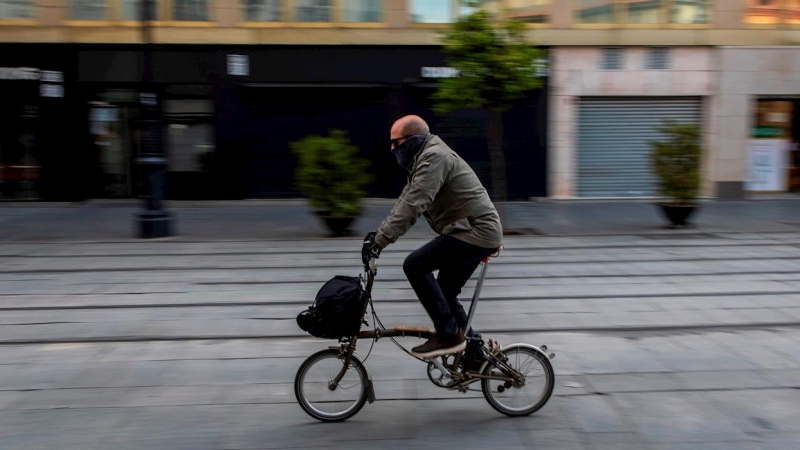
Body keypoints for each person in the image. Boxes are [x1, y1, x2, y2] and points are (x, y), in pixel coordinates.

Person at [362, 115, 503, 359]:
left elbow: (415, 203)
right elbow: (406, 200)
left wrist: (381, 241)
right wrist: (379, 234)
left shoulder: (434, 158)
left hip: (474, 232)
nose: (392, 148)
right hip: (473, 231)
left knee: (415, 265)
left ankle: (449, 335)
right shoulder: (424, 159)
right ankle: (474, 355)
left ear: (414, 140)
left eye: (397, 143)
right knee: (446, 291)